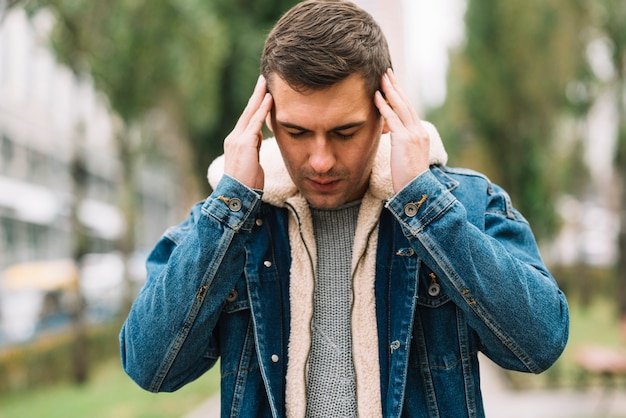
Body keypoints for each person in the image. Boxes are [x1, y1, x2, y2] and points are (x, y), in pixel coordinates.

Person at [120, 0, 569, 416]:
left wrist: (425, 205)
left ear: (386, 112)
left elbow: (539, 344)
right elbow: (150, 366)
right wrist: (231, 205)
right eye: (296, 132)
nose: (320, 160)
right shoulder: (231, 221)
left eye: (344, 132)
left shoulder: (463, 204)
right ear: (267, 118)